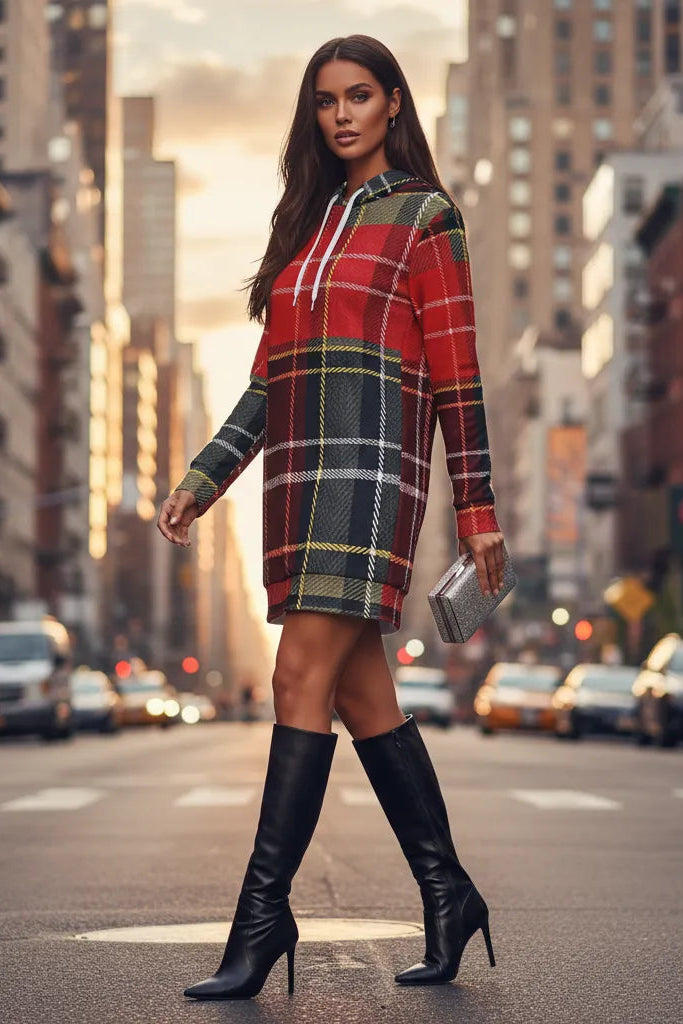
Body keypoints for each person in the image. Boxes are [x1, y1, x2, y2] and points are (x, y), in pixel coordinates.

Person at [157, 33, 504, 1001]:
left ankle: (261, 917)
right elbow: (267, 383)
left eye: (358, 96)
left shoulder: (425, 217)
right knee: (360, 697)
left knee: (294, 677)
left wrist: (476, 505)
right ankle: (449, 893)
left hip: (372, 477)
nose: (341, 114)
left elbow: (458, 372)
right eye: (325, 100)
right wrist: (204, 477)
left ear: (392, 103)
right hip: (298, 482)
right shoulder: (307, 229)